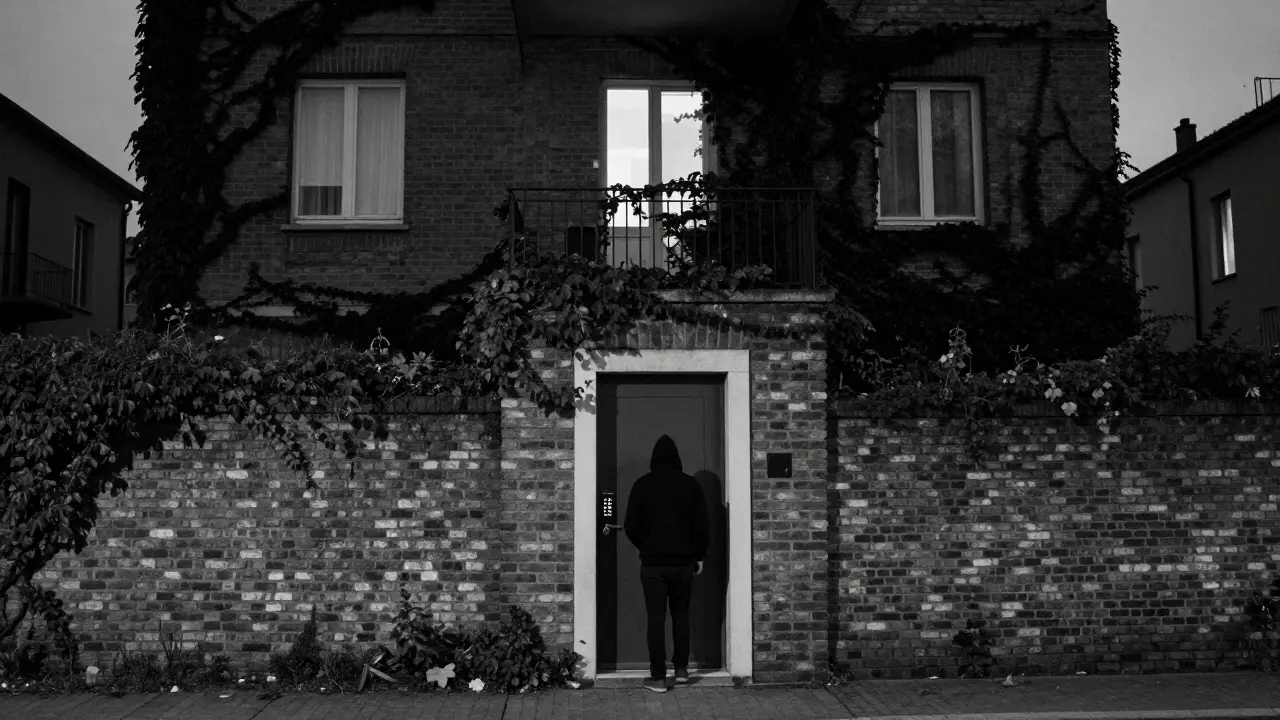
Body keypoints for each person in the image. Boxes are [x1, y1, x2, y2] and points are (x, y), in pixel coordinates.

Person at [623, 434, 710, 693]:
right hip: (684, 563)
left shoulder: (642, 485)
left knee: (656, 618)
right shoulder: (691, 486)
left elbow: (631, 526)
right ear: (677, 459)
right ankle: (681, 669)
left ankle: (659, 677)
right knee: (681, 614)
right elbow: (702, 526)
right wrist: (699, 555)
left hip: (653, 565)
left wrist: (646, 546)